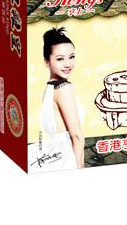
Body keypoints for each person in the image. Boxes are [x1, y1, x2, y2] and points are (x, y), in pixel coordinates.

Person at [40, 27, 85, 169]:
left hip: (55, 160)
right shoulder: (63, 88)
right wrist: (80, 168)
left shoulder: (49, 89)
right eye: (60, 59)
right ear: (47, 62)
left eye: (71, 57)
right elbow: (76, 136)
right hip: (68, 161)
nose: (68, 64)